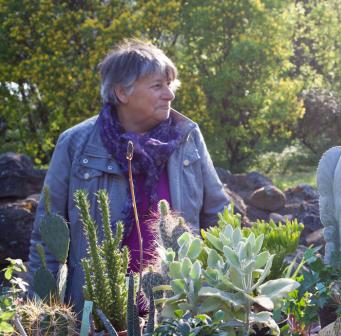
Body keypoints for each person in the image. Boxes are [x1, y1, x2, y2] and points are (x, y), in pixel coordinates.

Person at [28, 39, 229, 313]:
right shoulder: (75, 144)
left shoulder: (187, 138)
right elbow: (47, 237)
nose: (169, 95)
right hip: (99, 314)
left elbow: (218, 215)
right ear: (122, 92)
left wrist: (222, 298)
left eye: (170, 85)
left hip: (177, 311)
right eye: (158, 85)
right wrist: (41, 316)